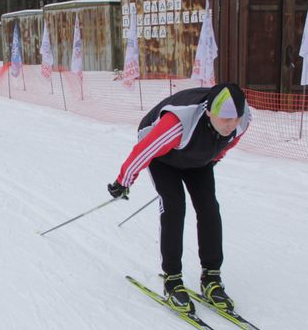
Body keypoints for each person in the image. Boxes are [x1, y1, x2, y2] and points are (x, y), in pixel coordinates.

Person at [107, 82, 251, 314]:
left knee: (209, 208)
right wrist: (122, 182)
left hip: (198, 160)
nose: (231, 124)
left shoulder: (241, 122)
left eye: (235, 119)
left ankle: (211, 278)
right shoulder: (177, 123)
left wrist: (211, 158)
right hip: (163, 158)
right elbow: (144, 150)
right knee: (174, 206)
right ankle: (173, 280)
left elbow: (227, 145)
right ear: (208, 111)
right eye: (225, 119)